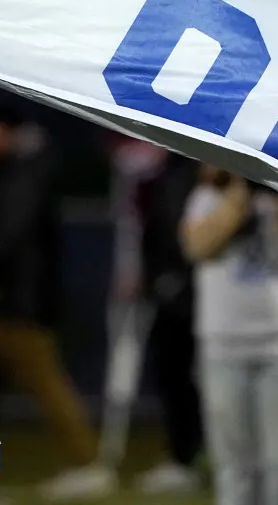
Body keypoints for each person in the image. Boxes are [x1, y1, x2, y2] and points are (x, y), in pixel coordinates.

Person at [0, 101, 113, 500]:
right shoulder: (5, 171)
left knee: (34, 386)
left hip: (14, 304)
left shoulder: (22, 174)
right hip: (5, 301)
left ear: (7, 132)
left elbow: (8, 237)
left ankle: (87, 463)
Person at [181, 165, 278, 505]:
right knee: (234, 468)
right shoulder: (209, 196)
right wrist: (238, 198)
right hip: (225, 346)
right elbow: (197, 246)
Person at [106, 137, 204, 494]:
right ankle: (184, 457)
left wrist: (174, 277)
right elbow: (152, 228)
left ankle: (189, 457)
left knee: (190, 379)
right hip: (171, 290)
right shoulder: (167, 174)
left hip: (190, 293)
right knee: (175, 377)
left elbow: (173, 231)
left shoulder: (187, 175)